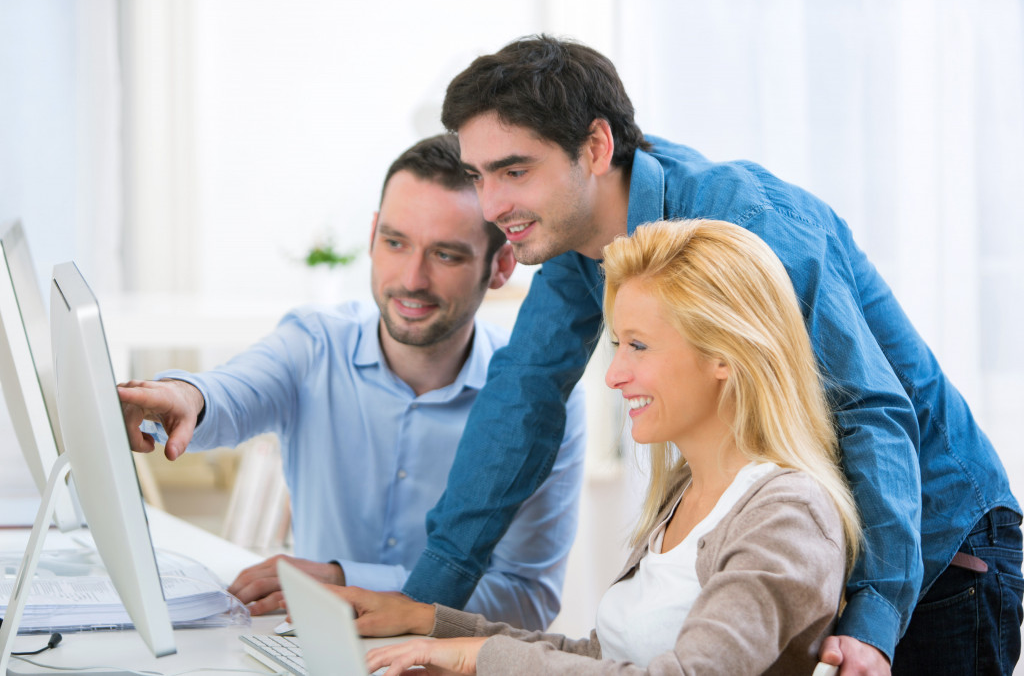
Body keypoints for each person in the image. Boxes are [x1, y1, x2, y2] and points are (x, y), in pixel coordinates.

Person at [399, 36, 1023, 674]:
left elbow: (868, 408)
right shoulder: (583, 235)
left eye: (514, 170)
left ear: (595, 148)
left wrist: (874, 616)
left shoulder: (748, 223)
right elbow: (520, 400)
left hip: (937, 545)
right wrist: (418, 607)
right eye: (478, 176)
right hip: (826, 548)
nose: (491, 205)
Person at [324, 219, 860, 675]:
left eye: (639, 346)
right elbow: (603, 661)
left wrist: (482, 658)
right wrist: (432, 626)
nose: (615, 375)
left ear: (725, 355)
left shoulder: (787, 514)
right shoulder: (685, 496)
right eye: (616, 346)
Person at [116, 133, 587, 631]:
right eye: (395, 242)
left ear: (501, 266)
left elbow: (527, 600)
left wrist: (343, 578)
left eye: (446, 255)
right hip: (312, 650)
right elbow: (229, 392)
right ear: (370, 237)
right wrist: (183, 397)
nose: (412, 278)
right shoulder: (315, 345)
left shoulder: (543, 399)